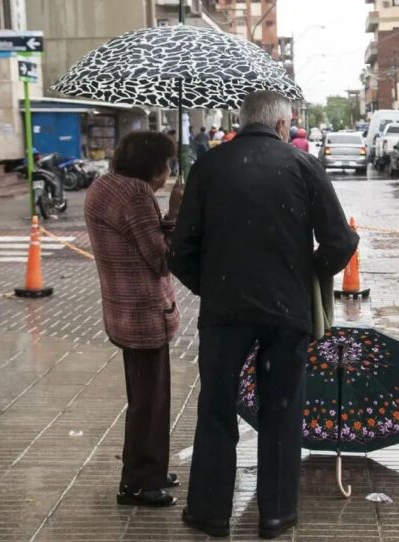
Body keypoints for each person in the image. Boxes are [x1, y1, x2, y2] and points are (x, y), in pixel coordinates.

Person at [169, 91, 358, 540]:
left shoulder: (209, 167)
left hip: (224, 312)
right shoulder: (303, 166)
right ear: (280, 125)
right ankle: (275, 514)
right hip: (285, 312)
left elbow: (180, 251)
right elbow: (340, 241)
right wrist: (308, 274)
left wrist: (209, 285)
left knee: (216, 409)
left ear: (242, 120)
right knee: (281, 410)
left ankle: (210, 513)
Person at [84, 131, 185, 507]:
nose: (168, 172)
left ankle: (150, 469)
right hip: (144, 312)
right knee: (150, 400)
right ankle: (139, 482)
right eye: (166, 164)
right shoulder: (137, 195)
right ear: (154, 167)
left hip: (121, 309)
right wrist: (174, 211)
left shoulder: (104, 186)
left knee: (145, 397)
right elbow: (160, 259)